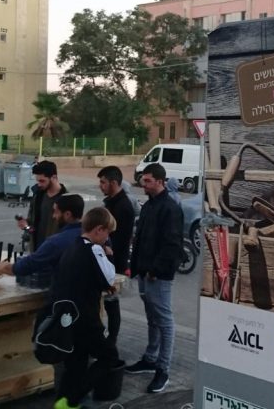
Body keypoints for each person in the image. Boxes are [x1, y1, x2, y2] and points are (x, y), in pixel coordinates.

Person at [0, 194, 85, 399]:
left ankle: (65, 399)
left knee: (61, 354)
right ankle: (79, 396)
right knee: (81, 354)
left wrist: (6, 268)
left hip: (62, 308)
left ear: (68, 214)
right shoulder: (93, 236)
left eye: (56, 212)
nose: (53, 216)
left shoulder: (57, 242)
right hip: (86, 307)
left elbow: (28, 265)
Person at [124, 162, 184, 394]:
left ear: (160, 181)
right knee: (152, 318)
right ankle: (150, 358)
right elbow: (141, 239)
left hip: (158, 275)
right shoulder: (150, 205)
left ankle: (163, 369)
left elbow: (172, 245)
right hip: (145, 272)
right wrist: (135, 267)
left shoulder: (170, 208)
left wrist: (155, 270)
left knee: (164, 321)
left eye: (148, 181)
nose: (143, 184)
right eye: (143, 180)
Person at [51, 207, 118, 409]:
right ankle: (73, 398)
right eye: (107, 233)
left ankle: (63, 403)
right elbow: (109, 278)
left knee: (76, 363)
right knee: (109, 357)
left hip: (69, 315)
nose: (107, 238)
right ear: (99, 229)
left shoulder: (73, 245)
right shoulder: (94, 249)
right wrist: (108, 255)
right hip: (87, 317)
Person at [96, 165, 136, 346]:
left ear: (113, 183)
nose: (100, 186)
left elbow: (119, 239)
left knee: (111, 303)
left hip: (114, 262)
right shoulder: (111, 203)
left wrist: (106, 249)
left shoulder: (123, 207)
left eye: (103, 182)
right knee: (106, 302)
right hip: (106, 259)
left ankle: (111, 340)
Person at [15, 160, 67, 252]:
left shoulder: (67, 199)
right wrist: (26, 225)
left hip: (55, 252)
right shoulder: (38, 196)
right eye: (38, 181)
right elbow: (32, 227)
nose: (39, 184)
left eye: (42, 181)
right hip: (36, 251)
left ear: (54, 177)